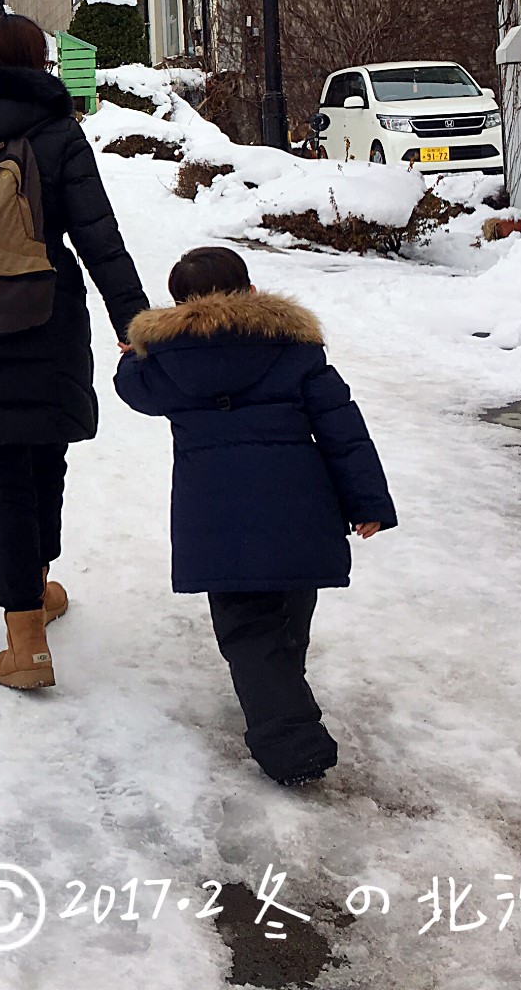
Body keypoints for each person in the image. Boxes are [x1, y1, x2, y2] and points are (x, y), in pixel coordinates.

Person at [0, 11, 149, 691]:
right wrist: (133, 322)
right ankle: (33, 596)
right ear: (35, 59)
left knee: (4, 475)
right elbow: (100, 236)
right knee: (45, 453)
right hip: (47, 316)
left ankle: (25, 634)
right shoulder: (54, 131)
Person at [113, 245, 397, 785]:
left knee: (247, 629)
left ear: (178, 302)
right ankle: (283, 699)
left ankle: (289, 739)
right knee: (289, 613)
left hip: (216, 521)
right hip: (300, 508)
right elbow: (343, 429)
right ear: (248, 290)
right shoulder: (294, 348)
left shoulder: (166, 361)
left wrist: (133, 352)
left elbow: (132, 388)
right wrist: (368, 502)